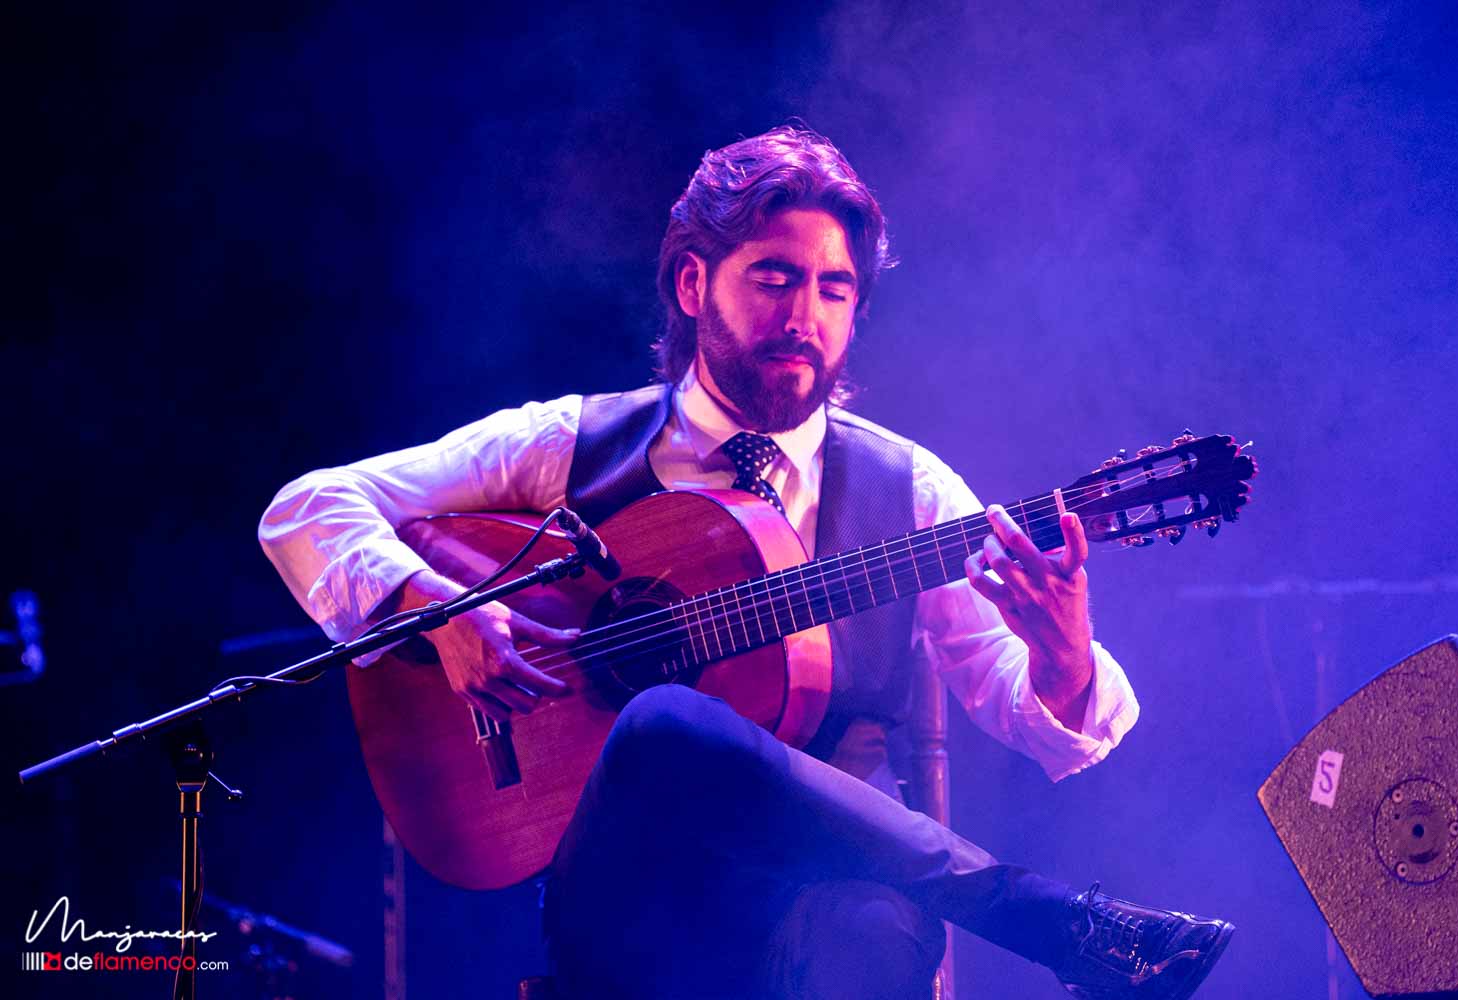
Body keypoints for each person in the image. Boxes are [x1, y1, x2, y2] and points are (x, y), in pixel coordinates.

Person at [259, 126, 1232, 999]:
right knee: (663, 721)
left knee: (870, 936)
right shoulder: (570, 442)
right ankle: (1048, 919)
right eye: (775, 278)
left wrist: (1063, 656)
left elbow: (1040, 721)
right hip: (631, 894)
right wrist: (434, 605)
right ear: (693, 284)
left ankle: (1047, 918)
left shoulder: (911, 488)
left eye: (835, 288)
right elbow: (307, 508)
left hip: (834, 898)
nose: (806, 312)